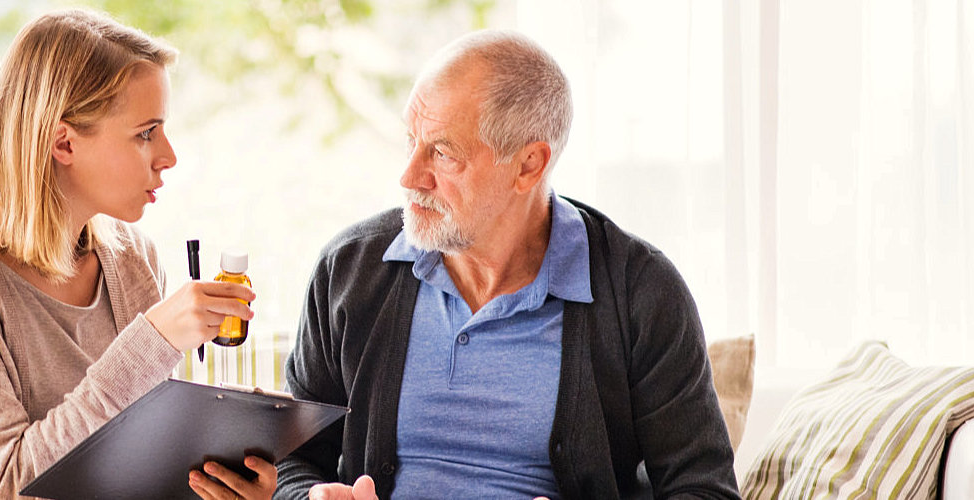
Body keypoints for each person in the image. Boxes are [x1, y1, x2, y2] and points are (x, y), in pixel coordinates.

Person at [276, 30, 740, 500]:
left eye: (442, 151)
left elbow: (704, 489)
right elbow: (292, 459)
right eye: (411, 140)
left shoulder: (641, 291)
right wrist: (309, 497)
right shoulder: (349, 270)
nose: (409, 176)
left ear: (528, 166)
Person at [0, 10, 274, 499]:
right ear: (63, 141)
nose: (168, 155)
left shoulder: (133, 262)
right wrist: (152, 341)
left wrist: (221, 485)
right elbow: (9, 484)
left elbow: (130, 468)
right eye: (145, 133)